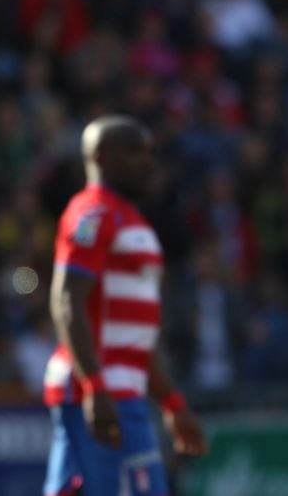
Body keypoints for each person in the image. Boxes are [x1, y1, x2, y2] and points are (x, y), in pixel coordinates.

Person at [42, 115, 208, 496]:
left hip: (123, 392)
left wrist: (171, 402)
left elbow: (134, 334)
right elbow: (66, 298)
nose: (148, 161)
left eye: (150, 152)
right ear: (101, 158)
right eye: (134, 151)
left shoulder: (128, 218)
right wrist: (94, 386)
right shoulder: (93, 213)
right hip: (100, 393)